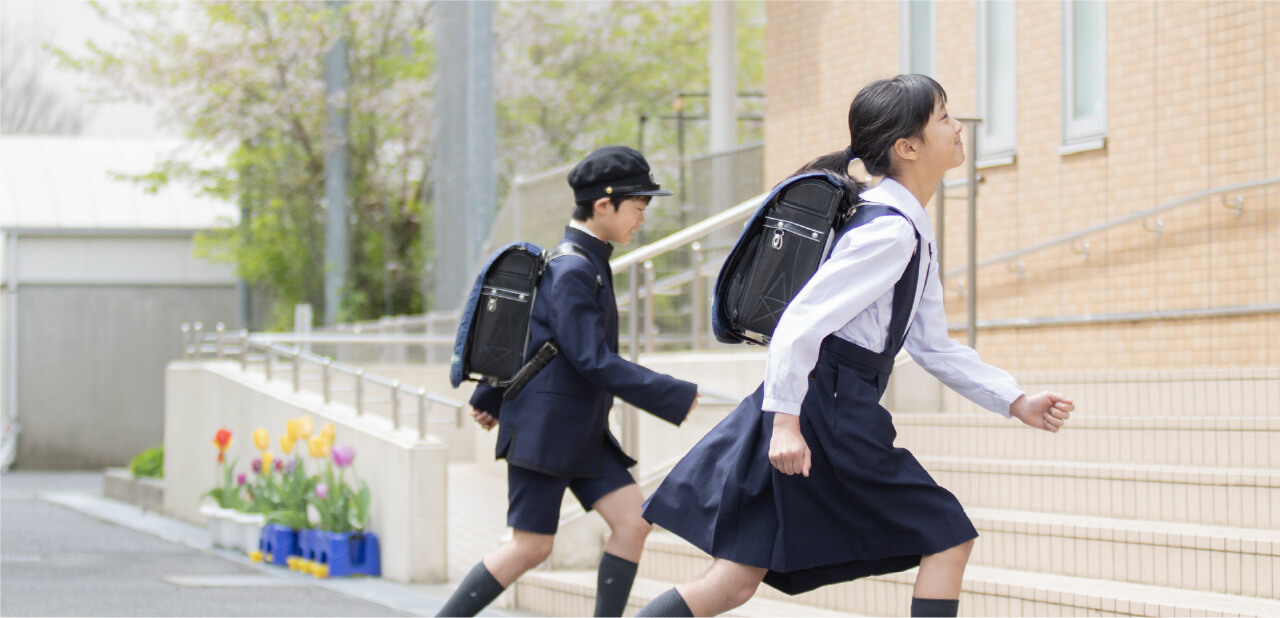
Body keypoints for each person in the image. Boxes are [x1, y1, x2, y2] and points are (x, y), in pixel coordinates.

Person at [635, 75, 1075, 618]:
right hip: (827, 408)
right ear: (907, 147)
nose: (958, 126)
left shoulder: (904, 225)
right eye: (943, 117)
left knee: (732, 582)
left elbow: (932, 345)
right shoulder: (889, 231)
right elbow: (799, 323)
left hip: (821, 402)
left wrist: (1014, 399)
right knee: (947, 534)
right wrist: (786, 423)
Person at [438, 145, 701, 618]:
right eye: (638, 208)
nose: (641, 219)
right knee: (531, 546)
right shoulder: (574, 267)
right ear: (603, 205)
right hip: (547, 432)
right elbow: (590, 359)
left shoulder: (584, 260)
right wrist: (672, 393)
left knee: (633, 523)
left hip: (576, 428)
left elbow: (535, 333)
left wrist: (492, 395)